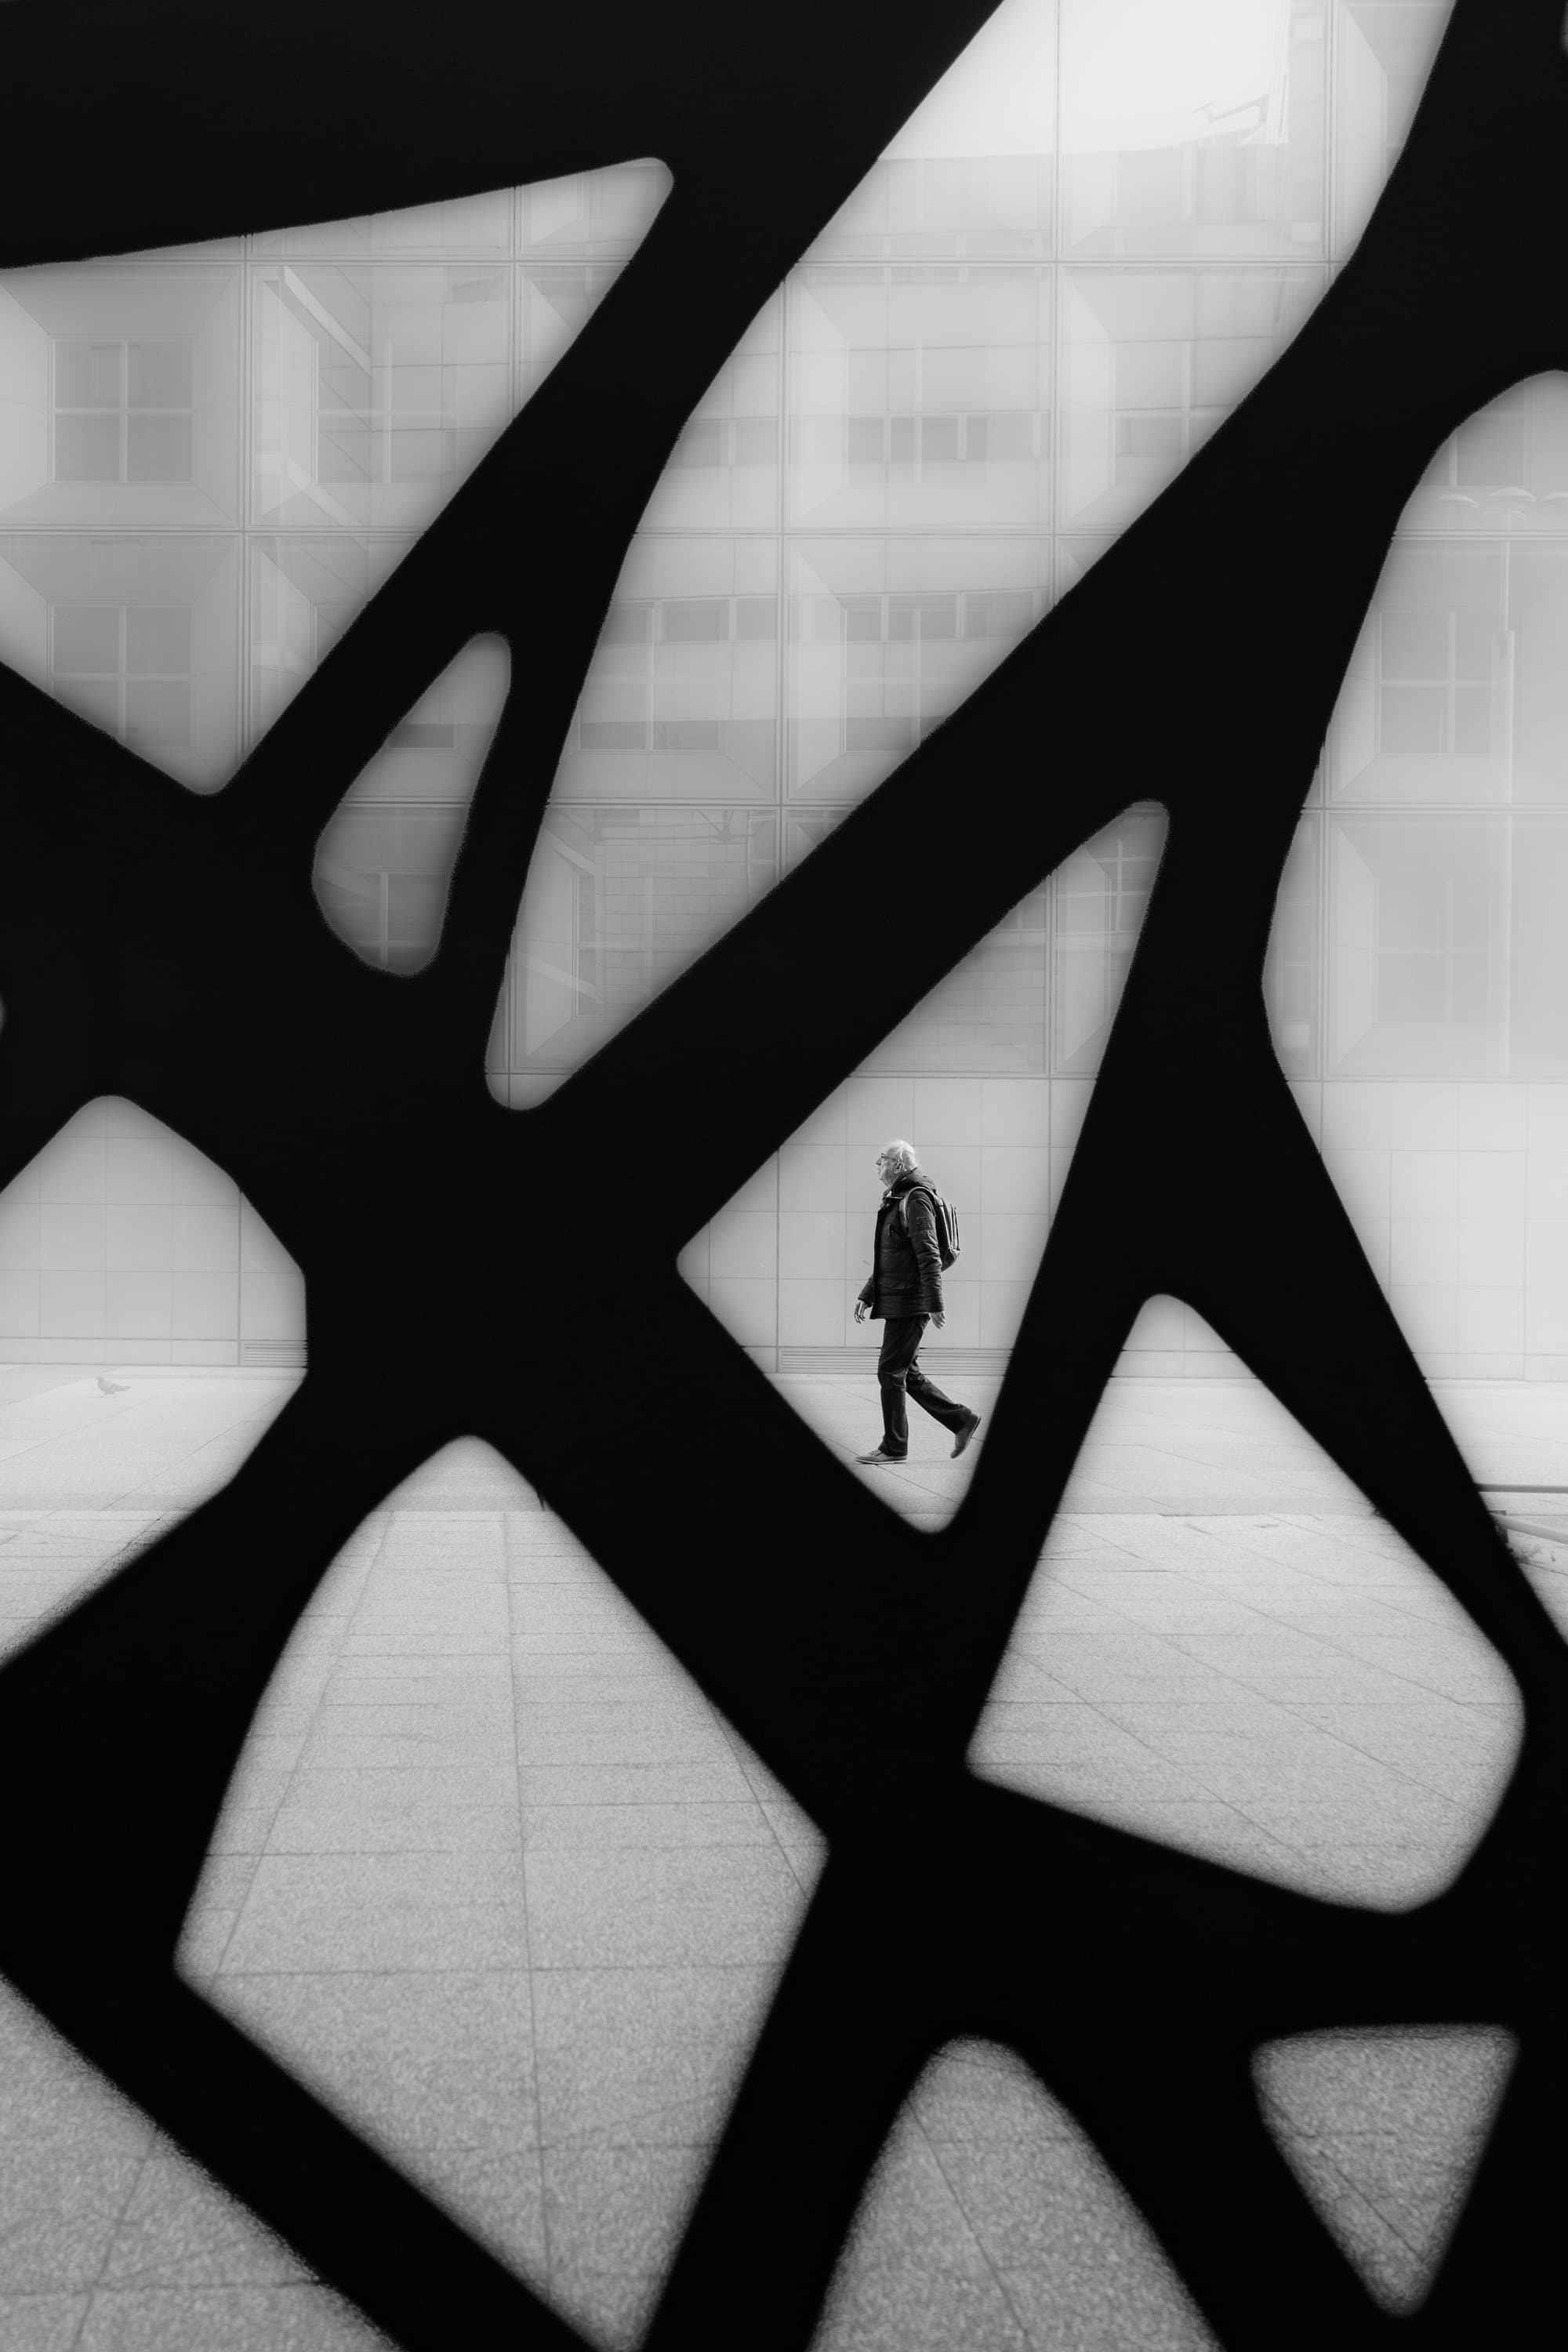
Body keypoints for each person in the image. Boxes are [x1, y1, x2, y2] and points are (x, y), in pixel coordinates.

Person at [853, 1139, 981, 1467]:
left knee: (890, 1371)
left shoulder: (916, 1198)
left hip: (911, 1300)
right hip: (902, 1296)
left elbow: (928, 1254)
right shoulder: (898, 1197)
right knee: (906, 1373)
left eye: (881, 1159)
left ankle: (895, 1447)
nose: (877, 1165)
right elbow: (893, 1257)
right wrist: (868, 1293)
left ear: (898, 1164)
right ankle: (961, 1420)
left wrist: (935, 1302)